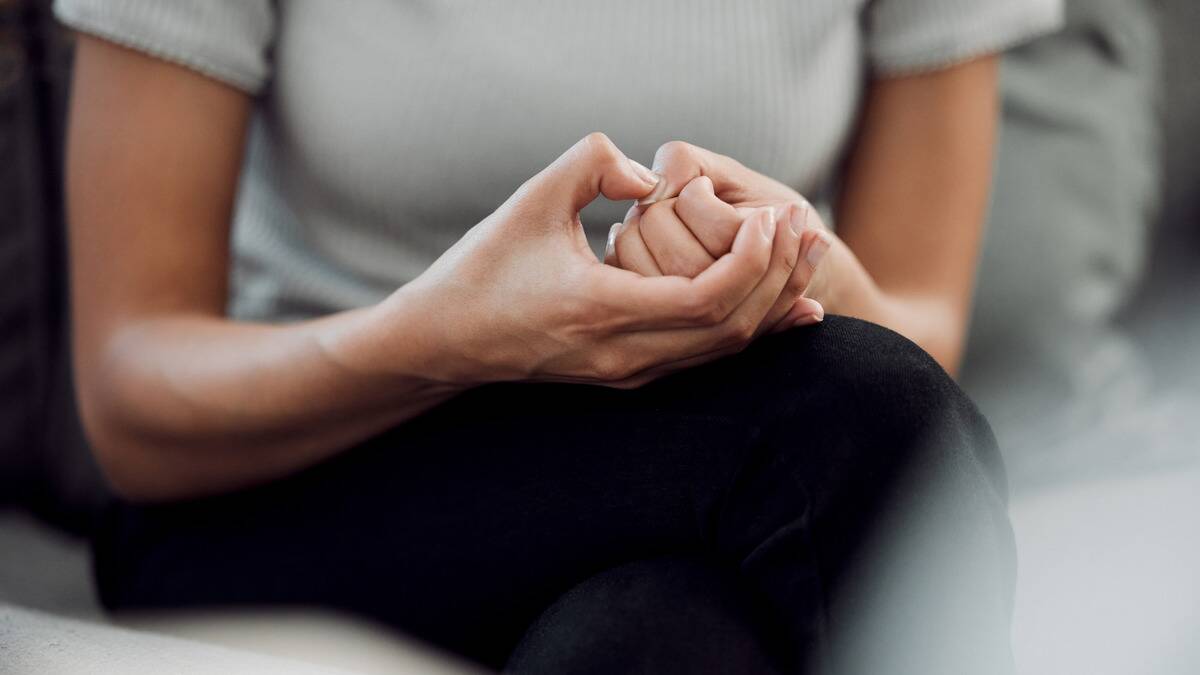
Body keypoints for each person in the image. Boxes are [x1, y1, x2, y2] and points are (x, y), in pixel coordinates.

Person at [55, 0, 1062, 672]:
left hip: (682, 466)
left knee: (657, 642)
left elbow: (922, 316)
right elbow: (128, 400)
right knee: (853, 406)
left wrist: (812, 271)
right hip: (290, 480)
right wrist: (442, 338)